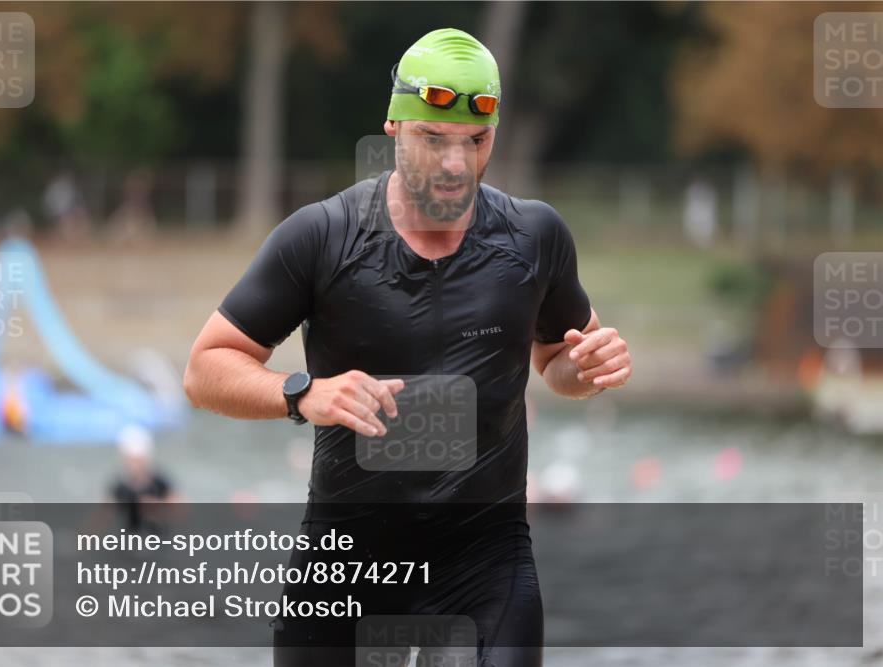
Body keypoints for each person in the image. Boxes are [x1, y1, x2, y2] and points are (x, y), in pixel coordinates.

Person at [184, 28, 632, 667]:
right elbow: (205, 369)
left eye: (475, 142)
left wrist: (589, 368)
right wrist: (304, 393)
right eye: (434, 139)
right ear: (394, 126)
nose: (456, 164)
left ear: (493, 135)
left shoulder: (536, 236)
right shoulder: (323, 237)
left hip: (486, 561)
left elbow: (557, 363)